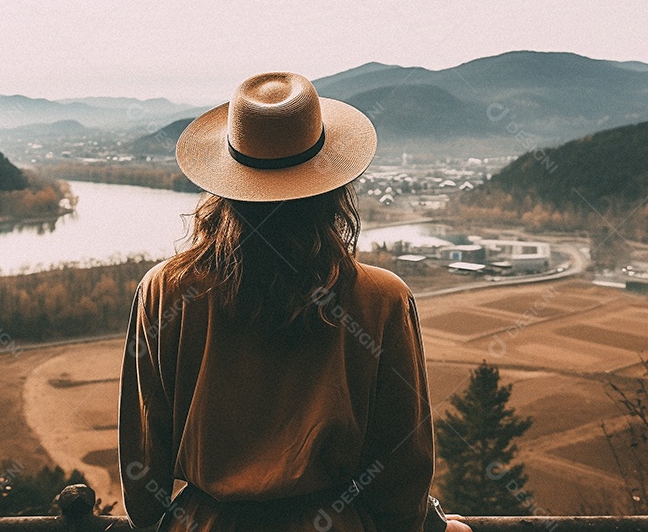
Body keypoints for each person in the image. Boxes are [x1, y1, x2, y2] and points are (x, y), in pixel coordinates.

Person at [119, 72, 471, 532]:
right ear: (333, 187)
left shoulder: (165, 290)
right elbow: (401, 474)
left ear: (224, 184)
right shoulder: (382, 300)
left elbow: (145, 474)